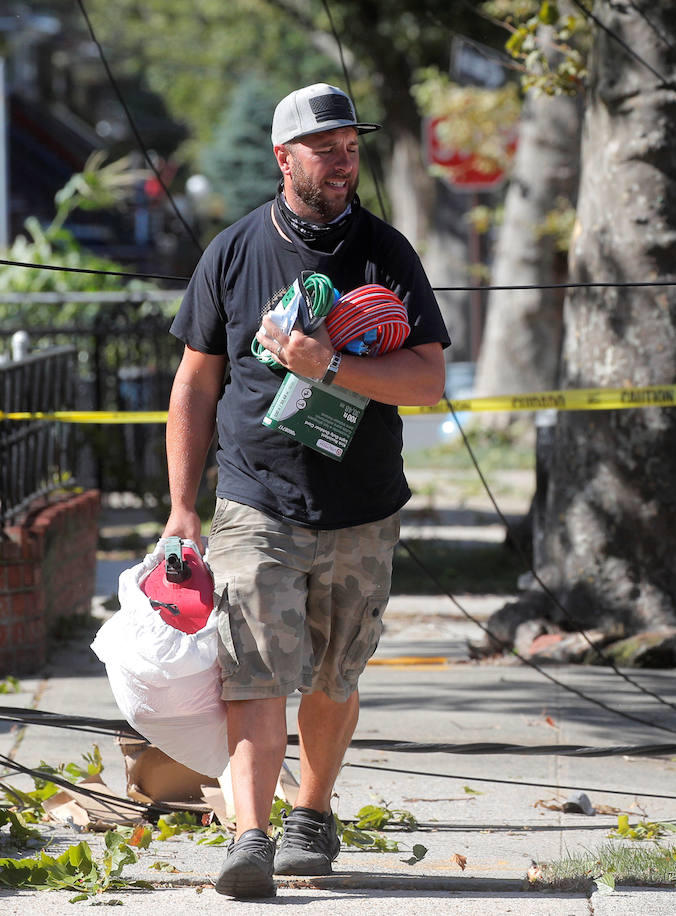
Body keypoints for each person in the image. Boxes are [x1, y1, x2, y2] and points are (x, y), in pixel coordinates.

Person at [162, 82, 451, 899]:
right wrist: (185, 508)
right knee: (253, 669)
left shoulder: (385, 253)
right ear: (284, 158)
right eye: (326, 148)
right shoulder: (233, 253)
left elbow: (428, 381)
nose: (343, 160)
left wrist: (330, 367)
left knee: (334, 674)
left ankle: (311, 813)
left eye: (350, 146)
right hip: (255, 497)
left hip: (361, 503)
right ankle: (250, 837)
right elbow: (194, 387)